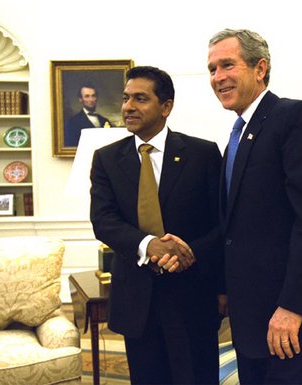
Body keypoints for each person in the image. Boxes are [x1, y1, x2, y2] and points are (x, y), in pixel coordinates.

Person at [207, 29, 302, 384]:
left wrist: (292, 308)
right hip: (251, 318)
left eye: (227, 65)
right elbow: (235, 228)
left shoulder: (294, 118)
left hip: (290, 319)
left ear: (260, 68)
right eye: (212, 69)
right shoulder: (238, 135)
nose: (218, 77)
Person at [90, 66, 223, 384]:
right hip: (138, 300)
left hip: (193, 295)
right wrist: (148, 245)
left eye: (140, 98)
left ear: (166, 106)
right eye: (125, 98)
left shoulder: (202, 154)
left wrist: (187, 252)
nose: (128, 107)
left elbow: (222, 223)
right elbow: (104, 221)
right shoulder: (107, 159)